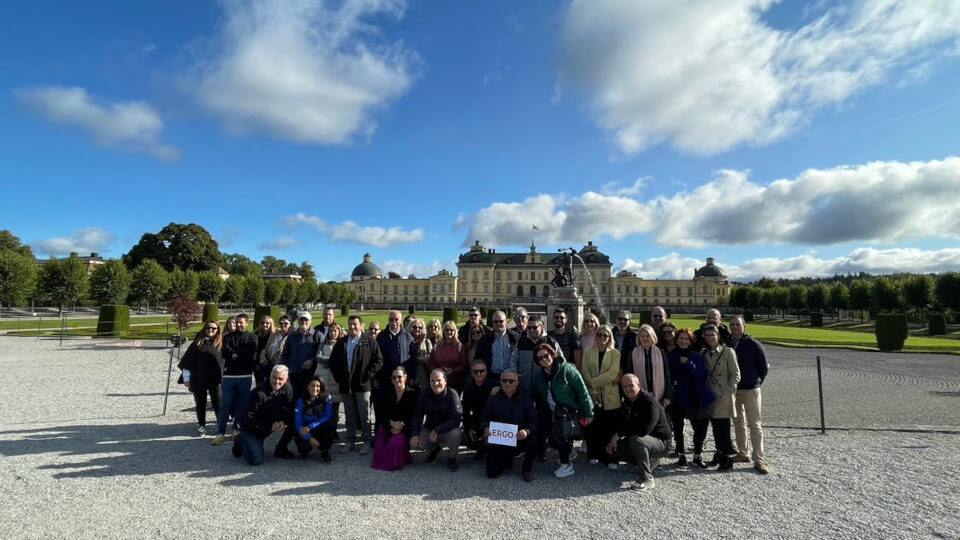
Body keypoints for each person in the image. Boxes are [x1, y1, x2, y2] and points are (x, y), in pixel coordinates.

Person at [531, 343, 594, 478]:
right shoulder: (540, 375)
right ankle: (569, 452)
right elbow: (533, 392)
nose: (544, 360)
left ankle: (566, 464)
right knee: (552, 438)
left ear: (552, 354)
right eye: (540, 359)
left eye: (546, 356)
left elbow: (582, 392)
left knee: (558, 436)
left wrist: (589, 412)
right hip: (550, 410)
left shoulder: (567, 370)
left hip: (567, 410)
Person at [606, 374, 673, 491]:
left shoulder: (649, 401)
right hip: (647, 440)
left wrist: (623, 437)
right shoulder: (630, 401)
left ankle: (647, 478)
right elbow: (629, 424)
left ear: (639, 385)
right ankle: (651, 462)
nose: (628, 389)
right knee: (616, 449)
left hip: (663, 443)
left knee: (636, 440)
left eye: (631, 385)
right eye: (624, 386)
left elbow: (644, 430)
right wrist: (616, 437)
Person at [330, 315, 384, 454]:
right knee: (349, 414)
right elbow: (333, 362)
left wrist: (366, 376)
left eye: (355, 324)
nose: (352, 327)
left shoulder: (369, 341)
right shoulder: (342, 342)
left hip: (362, 385)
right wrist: (339, 378)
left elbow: (379, 361)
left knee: (364, 414)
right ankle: (350, 440)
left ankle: (366, 441)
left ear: (361, 325)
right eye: (350, 324)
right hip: (346, 384)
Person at [480, 369, 539, 482]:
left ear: (517, 382)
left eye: (511, 381)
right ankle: (506, 460)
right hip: (500, 440)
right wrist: (485, 427)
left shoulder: (525, 399)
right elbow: (484, 417)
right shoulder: (494, 398)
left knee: (534, 440)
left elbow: (534, 421)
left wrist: (526, 431)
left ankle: (526, 470)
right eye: (504, 380)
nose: (507, 383)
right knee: (491, 474)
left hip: (519, 439)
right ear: (500, 382)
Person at [728, 316, 770, 474]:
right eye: (732, 324)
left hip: (751, 389)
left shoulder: (753, 344)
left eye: (737, 324)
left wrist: (756, 382)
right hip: (734, 390)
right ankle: (743, 452)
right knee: (739, 423)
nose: (734, 327)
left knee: (755, 424)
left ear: (744, 326)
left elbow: (763, 367)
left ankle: (759, 459)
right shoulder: (728, 342)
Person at [667, 328, 713, 468]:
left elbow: (701, 375)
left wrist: (687, 363)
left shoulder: (695, 356)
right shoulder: (672, 355)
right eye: (681, 338)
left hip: (693, 396)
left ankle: (697, 455)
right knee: (678, 426)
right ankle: (680, 453)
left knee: (699, 426)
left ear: (690, 341)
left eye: (686, 338)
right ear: (677, 340)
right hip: (678, 396)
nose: (683, 341)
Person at [232, 365, 295, 466]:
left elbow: (290, 410)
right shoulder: (258, 393)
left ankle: (281, 448)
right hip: (250, 428)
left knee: (296, 421)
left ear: (286, 380)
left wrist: (284, 421)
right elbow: (249, 418)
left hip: (268, 426)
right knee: (256, 460)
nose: (277, 381)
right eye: (274, 377)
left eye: (280, 379)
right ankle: (240, 442)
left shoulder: (288, 389)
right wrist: (269, 426)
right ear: (270, 377)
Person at [212, 313, 258, 445]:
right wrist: (240, 352)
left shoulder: (252, 337)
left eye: (241, 322)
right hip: (229, 375)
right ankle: (221, 432)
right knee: (226, 404)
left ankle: (235, 428)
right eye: (236, 322)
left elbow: (252, 352)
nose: (238, 324)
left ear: (247, 323)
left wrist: (236, 353)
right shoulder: (227, 336)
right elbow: (226, 353)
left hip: (245, 375)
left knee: (241, 404)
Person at [581, 325, 622, 468]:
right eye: (599, 335)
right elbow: (584, 371)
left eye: (606, 335)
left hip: (610, 395)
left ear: (610, 337)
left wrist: (592, 383)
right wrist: (593, 389)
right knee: (594, 426)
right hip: (593, 394)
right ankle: (593, 454)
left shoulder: (615, 353)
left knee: (610, 427)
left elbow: (612, 374)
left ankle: (610, 457)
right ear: (595, 336)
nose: (602, 338)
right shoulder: (588, 352)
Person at [701, 324, 740, 470]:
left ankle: (727, 458)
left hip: (723, 396)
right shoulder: (704, 352)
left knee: (723, 428)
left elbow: (736, 374)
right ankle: (719, 453)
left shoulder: (728, 352)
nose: (710, 338)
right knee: (716, 427)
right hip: (710, 395)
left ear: (718, 336)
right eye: (707, 335)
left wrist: (728, 390)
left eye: (713, 335)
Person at [410, 369, 463, 471]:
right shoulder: (425, 394)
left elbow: (456, 419)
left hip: (447, 431)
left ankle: (452, 458)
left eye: (438, 380)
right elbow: (418, 414)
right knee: (419, 440)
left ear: (445, 381)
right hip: (430, 430)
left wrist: (438, 430)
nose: (435, 383)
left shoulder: (452, 394)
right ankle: (435, 448)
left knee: (456, 433)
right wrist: (415, 434)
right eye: (432, 381)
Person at [178, 320, 224, 436]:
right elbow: (187, 361)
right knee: (200, 403)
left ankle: (221, 425)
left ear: (218, 330)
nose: (211, 330)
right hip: (198, 377)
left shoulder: (221, 343)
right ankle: (202, 425)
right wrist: (186, 377)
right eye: (208, 328)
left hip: (215, 378)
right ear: (204, 329)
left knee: (217, 402)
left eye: (214, 328)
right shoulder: (197, 343)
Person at [371, 366, 419, 471]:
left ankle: (402, 457)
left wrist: (401, 424)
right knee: (378, 447)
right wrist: (391, 423)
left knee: (395, 444)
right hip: (388, 425)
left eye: (399, 377)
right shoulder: (387, 393)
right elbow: (381, 413)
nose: (397, 380)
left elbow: (414, 415)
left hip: (405, 429)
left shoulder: (413, 394)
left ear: (405, 377)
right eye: (394, 377)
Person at [376, 310, 416, 409]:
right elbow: (376, 359)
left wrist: (412, 377)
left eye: (396, 319)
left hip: (403, 379)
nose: (394, 322)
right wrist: (376, 378)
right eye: (391, 319)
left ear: (401, 321)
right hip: (386, 378)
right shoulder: (381, 337)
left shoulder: (408, 337)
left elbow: (413, 359)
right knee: (386, 406)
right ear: (388, 320)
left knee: (403, 405)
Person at [625, 324, 672, 407]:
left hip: (658, 392)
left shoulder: (660, 352)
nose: (645, 338)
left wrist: (667, 395)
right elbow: (630, 374)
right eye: (642, 336)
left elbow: (667, 374)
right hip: (640, 392)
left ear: (652, 337)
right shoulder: (633, 353)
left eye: (647, 336)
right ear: (639, 338)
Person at [515, 315, 562, 395]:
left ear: (542, 326)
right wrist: (515, 373)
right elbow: (514, 359)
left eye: (535, 327)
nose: (531, 330)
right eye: (529, 328)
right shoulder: (521, 341)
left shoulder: (550, 341)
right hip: (524, 386)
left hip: (545, 388)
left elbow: (561, 360)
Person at [293, 376, 335, 462]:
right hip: (305, 430)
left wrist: (311, 426)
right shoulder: (300, 401)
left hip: (317, 427)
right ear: (308, 387)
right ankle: (304, 450)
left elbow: (327, 416)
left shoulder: (327, 398)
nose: (315, 388)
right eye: (312, 386)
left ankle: (324, 451)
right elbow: (298, 424)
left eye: (318, 386)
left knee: (328, 425)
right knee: (304, 448)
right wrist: (309, 438)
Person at [461, 359, 497, 459]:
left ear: (486, 372)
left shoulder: (495, 385)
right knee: (462, 436)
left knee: (489, 441)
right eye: (476, 371)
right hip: (477, 422)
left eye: (482, 371)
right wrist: (470, 428)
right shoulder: (468, 389)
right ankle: (480, 449)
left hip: (493, 423)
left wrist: (500, 388)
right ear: (472, 373)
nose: (479, 374)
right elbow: (466, 412)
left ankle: (492, 451)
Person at [281, 312, 320, 398]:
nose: (303, 322)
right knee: (294, 399)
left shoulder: (317, 335)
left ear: (310, 321)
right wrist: (287, 370)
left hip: (310, 375)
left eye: (306, 320)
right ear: (298, 321)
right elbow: (284, 355)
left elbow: (320, 353)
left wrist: (312, 360)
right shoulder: (292, 336)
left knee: (308, 399)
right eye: (301, 319)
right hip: (294, 374)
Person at [315, 322, 344, 439]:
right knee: (323, 407)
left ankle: (333, 431)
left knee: (335, 409)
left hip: (335, 380)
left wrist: (329, 361)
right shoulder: (323, 343)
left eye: (335, 331)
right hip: (323, 378)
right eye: (331, 331)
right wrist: (332, 361)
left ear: (339, 332)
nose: (333, 333)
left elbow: (342, 360)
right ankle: (325, 430)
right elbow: (318, 357)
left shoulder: (342, 343)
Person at [475, 311, 518, 383]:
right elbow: (478, 358)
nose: (498, 324)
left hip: (511, 378)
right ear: (492, 322)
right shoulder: (485, 339)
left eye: (501, 321)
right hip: (491, 378)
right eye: (496, 322)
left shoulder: (514, 337)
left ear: (506, 322)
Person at [429, 321, 468, 392]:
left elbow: (464, 365)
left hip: (455, 383)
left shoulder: (460, 347)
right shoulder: (436, 346)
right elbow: (431, 363)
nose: (449, 332)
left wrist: (452, 371)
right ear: (443, 331)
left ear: (455, 331)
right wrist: (439, 371)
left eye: (451, 330)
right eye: (447, 330)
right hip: (438, 383)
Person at [408, 318, 434, 388]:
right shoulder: (406, 339)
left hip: (422, 372)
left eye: (420, 327)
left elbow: (431, 356)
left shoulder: (426, 340)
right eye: (414, 327)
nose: (417, 329)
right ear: (410, 327)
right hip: (409, 371)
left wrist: (419, 359)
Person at [253, 316, 275, 385]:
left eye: (267, 323)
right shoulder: (255, 334)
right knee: (259, 384)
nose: (264, 325)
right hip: (258, 363)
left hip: (271, 363)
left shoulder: (275, 335)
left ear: (271, 324)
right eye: (262, 323)